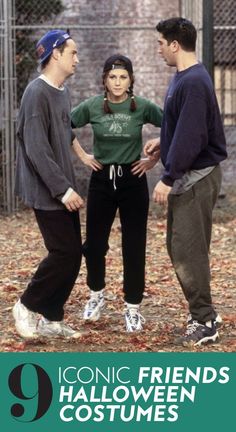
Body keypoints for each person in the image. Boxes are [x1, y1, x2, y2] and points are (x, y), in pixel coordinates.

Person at [144, 17, 227, 346]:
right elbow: (185, 125)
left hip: (195, 177)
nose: (159, 49)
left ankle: (205, 321)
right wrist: (163, 143)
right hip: (190, 175)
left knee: (187, 251)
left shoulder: (192, 81)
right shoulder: (186, 76)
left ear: (175, 44)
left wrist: (168, 176)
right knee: (182, 247)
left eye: (161, 43)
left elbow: (194, 136)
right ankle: (204, 312)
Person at [71, 54, 163, 332]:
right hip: (101, 180)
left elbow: (173, 126)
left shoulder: (143, 107)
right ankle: (96, 295)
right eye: (113, 77)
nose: (118, 82)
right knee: (94, 246)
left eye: (123, 77)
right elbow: (63, 124)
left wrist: (154, 159)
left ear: (131, 79)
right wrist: (83, 156)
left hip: (133, 180)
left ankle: (133, 308)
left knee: (134, 246)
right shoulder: (93, 106)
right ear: (104, 80)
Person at [13, 29, 84, 339]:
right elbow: (36, 148)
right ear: (55, 54)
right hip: (47, 191)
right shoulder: (36, 93)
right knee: (63, 252)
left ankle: (53, 319)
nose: (77, 59)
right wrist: (62, 188)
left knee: (73, 254)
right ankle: (27, 305)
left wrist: (81, 155)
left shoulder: (61, 90)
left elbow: (64, 132)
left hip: (62, 185)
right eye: (72, 53)